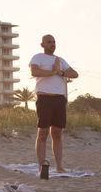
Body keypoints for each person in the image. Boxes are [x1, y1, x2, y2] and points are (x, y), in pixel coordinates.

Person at [29, 34, 78, 173]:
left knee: (57, 133)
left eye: (54, 42)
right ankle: (41, 167)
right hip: (44, 98)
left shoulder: (60, 60)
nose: (52, 44)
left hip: (59, 99)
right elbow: (34, 71)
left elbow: (74, 73)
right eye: (49, 42)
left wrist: (60, 72)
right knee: (43, 132)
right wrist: (53, 71)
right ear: (43, 44)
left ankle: (59, 166)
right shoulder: (38, 57)